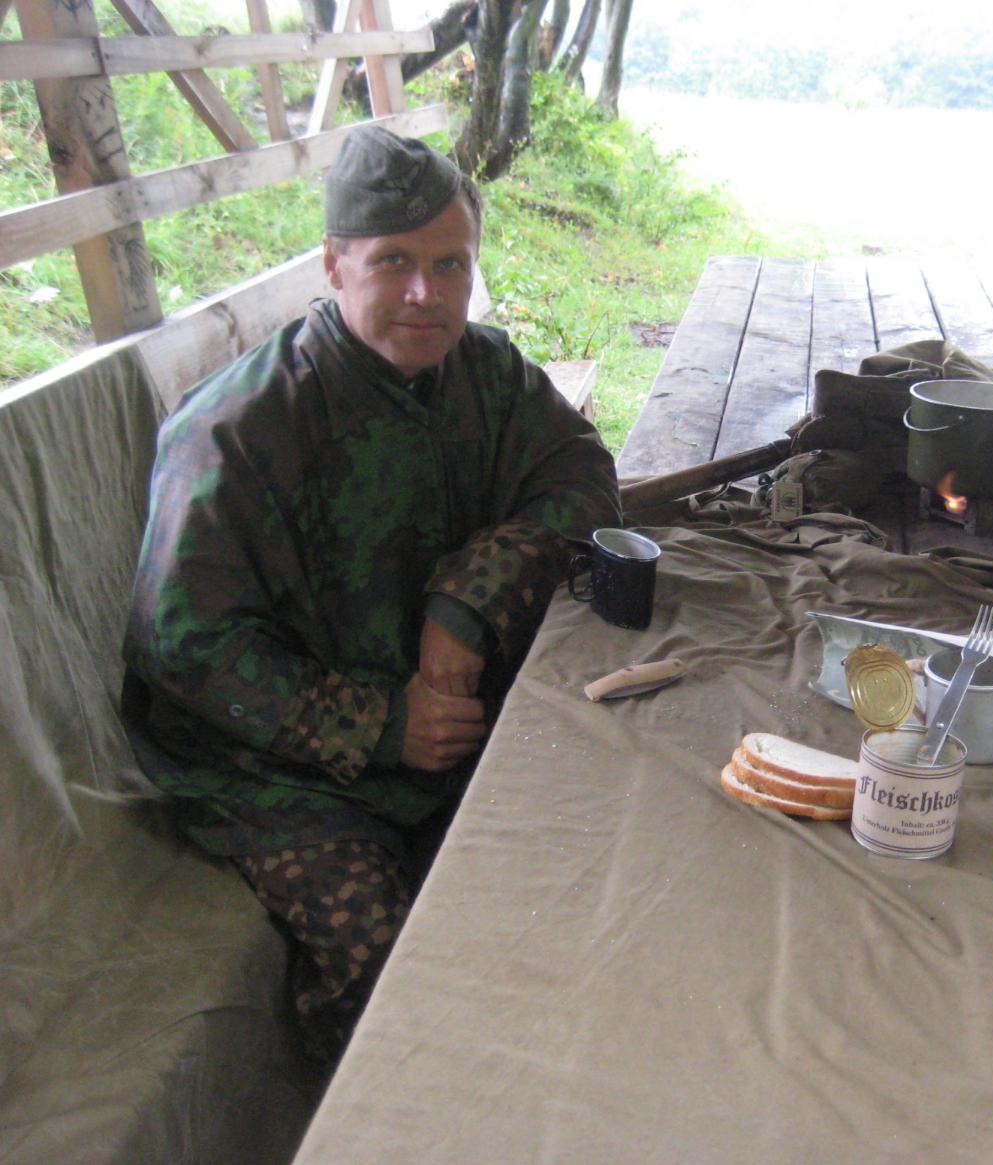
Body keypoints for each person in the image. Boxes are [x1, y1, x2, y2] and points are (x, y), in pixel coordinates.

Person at [123, 125, 622, 1062]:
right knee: (389, 968)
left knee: (576, 869)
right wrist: (383, 724)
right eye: (395, 261)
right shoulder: (238, 428)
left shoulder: (486, 375)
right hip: (276, 770)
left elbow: (582, 476)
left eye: (450, 264)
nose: (427, 293)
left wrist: (465, 606)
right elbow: (183, 645)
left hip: (451, 724)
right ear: (334, 265)